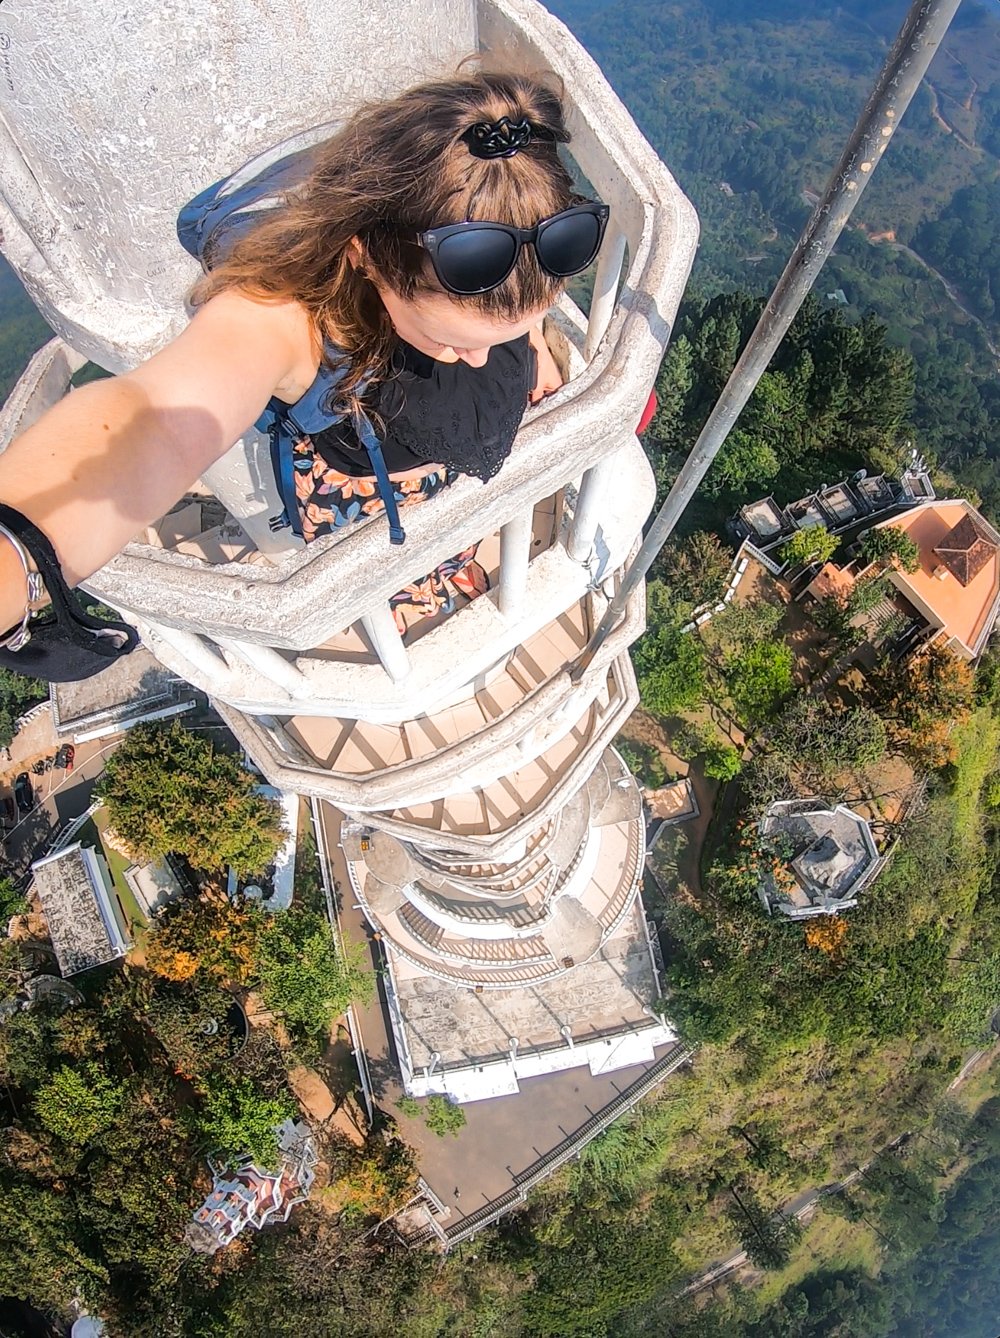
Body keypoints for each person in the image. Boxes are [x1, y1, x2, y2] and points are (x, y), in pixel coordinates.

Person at [0, 71, 609, 654]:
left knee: (452, 517)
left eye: (514, 325)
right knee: (391, 558)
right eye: (449, 338)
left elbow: (504, 305)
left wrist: (527, 343)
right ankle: (416, 582)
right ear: (365, 257)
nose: (476, 360)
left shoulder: (495, 211)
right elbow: (158, 418)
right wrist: (17, 549)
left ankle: (444, 562)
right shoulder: (289, 313)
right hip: (367, 480)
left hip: (431, 457)